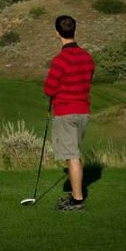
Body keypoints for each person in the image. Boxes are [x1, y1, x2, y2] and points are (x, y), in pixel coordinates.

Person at [43, 15, 94, 212]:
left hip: (66, 112)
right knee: (74, 154)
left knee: (71, 156)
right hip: (83, 112)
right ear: (75, 31)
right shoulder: (87, 57)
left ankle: (77, 200)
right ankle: (76, 195)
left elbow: (49, 90)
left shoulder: (60, 60)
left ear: (57, 33)